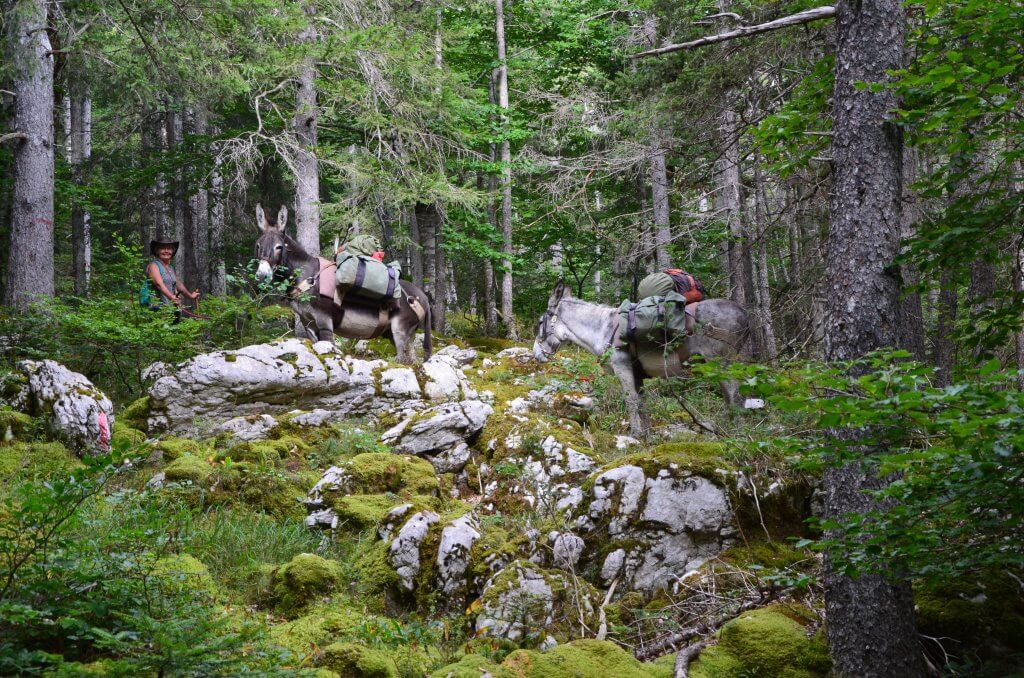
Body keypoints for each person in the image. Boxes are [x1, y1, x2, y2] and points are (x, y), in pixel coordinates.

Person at [146, 237, 199, 320]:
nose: (166, 251)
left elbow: (179, 285)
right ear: (157, 251)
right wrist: (171, 297)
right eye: (163, 248)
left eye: (169, 248)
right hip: (157, 309)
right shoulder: (154, 266)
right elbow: (159, 284)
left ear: (173, 251)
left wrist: (191, 296)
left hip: (172, 309)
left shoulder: (170, 268)